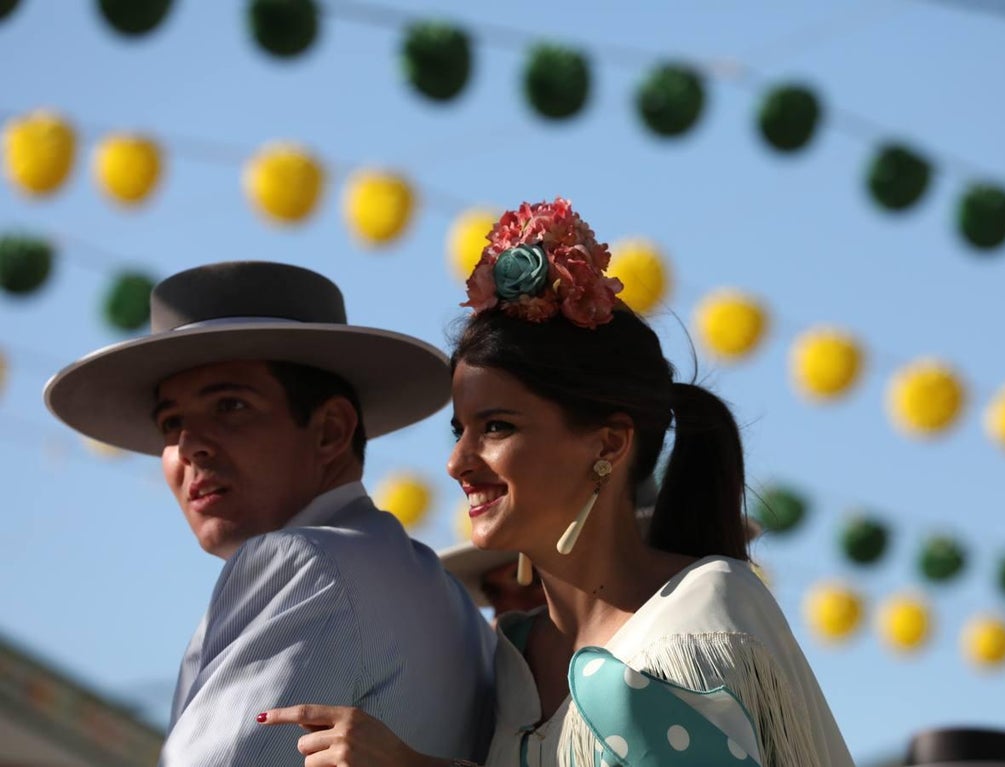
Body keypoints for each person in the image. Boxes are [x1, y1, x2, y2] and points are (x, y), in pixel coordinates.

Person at [260, 198, 855, 766]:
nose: (457, 462)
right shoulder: (509, 657)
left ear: (608, 443)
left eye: (496, 426)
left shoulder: (703, 613)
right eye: (458, 430)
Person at [43, 261, 496, 765]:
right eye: (171, 424)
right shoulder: (451, 600)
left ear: (329, 431)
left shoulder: (305, 562)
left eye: (230, 406)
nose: (190, 446)